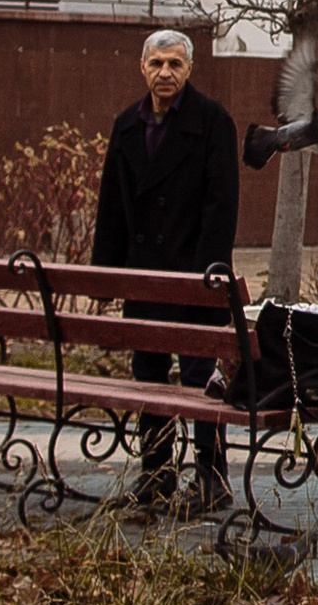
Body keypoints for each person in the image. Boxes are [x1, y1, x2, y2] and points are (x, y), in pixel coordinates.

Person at [91, 27, 239, 509]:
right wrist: (105, 275)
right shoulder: (127, 125)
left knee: (201, 381)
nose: (165, 73)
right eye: (156, 64)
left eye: (175, 64)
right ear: (142, 67)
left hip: (195, 279)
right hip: (144, 278)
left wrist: (206, 279)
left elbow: (222, 207)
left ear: (190, 69)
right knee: (150, 376)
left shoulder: (212, 121)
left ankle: (211, 478)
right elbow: (111, 204)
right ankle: (156, 473)